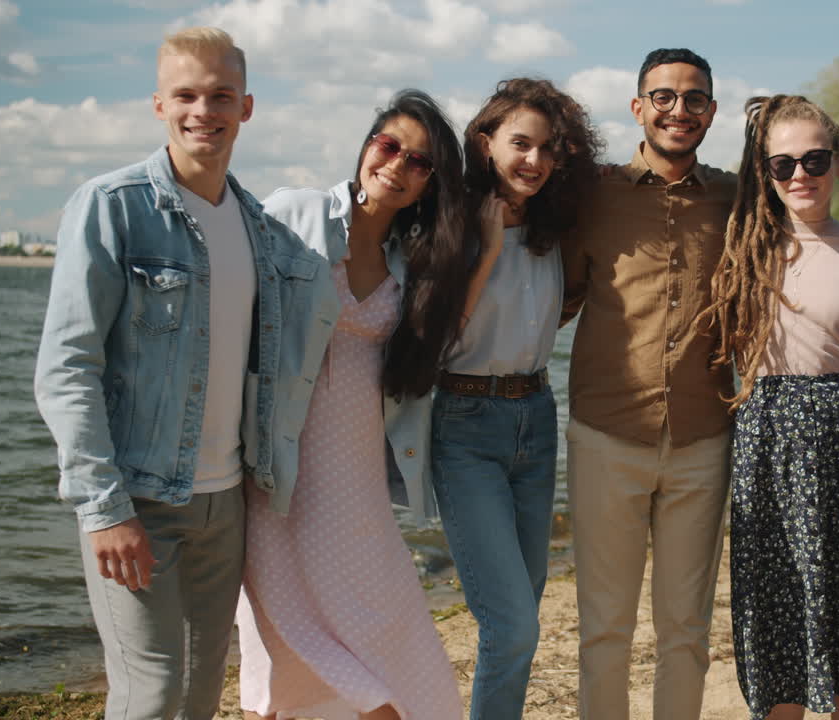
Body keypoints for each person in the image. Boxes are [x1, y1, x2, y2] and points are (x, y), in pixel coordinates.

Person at [34, 27, 337, 719]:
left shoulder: (262, 228)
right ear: (159, 105)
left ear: (247, 107)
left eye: (221, 95)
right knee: (152, 693)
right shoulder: (112, 206)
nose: (205, 110)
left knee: (200, 695)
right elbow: (67, 366)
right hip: (139, 499)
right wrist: (104, 508)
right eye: (187, 95)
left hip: (225, 505)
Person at [234, 89, 469, 720]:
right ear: (367, 146)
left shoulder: (412, 262)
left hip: (359, 470)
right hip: (285, 459)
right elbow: (232, 300)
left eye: (419, 161)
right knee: (286, 621)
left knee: (388, 613)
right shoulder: (294, 212)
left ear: (429, 184)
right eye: (388, 145)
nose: (397, 163)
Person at [698, 94, 839, 720]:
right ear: (762, 171)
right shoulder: (740, 249)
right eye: (783, 164)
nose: (800, 176)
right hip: (764, 443)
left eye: (814, 160)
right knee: (775, 610)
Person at [561, 48, 737, 720]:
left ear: (711, 113)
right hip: (607, 436)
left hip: (703, 440)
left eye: (695, 99)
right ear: (638, 108)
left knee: (686, 633)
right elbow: (556, 299)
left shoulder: (735, 198)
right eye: (663, 96)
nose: (679, 110)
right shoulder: (593, 197)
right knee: (604, 628)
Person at [431, 77, 599, 720]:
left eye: (548, 149)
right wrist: (487, 246)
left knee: (520, 616)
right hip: (465, 423)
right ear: (485, 142)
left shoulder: (554, 227)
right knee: (513, 625)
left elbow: (552, 313)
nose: (534, 160)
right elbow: (440, 331)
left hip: (536, 416)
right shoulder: (454, 217)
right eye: (520, 144)